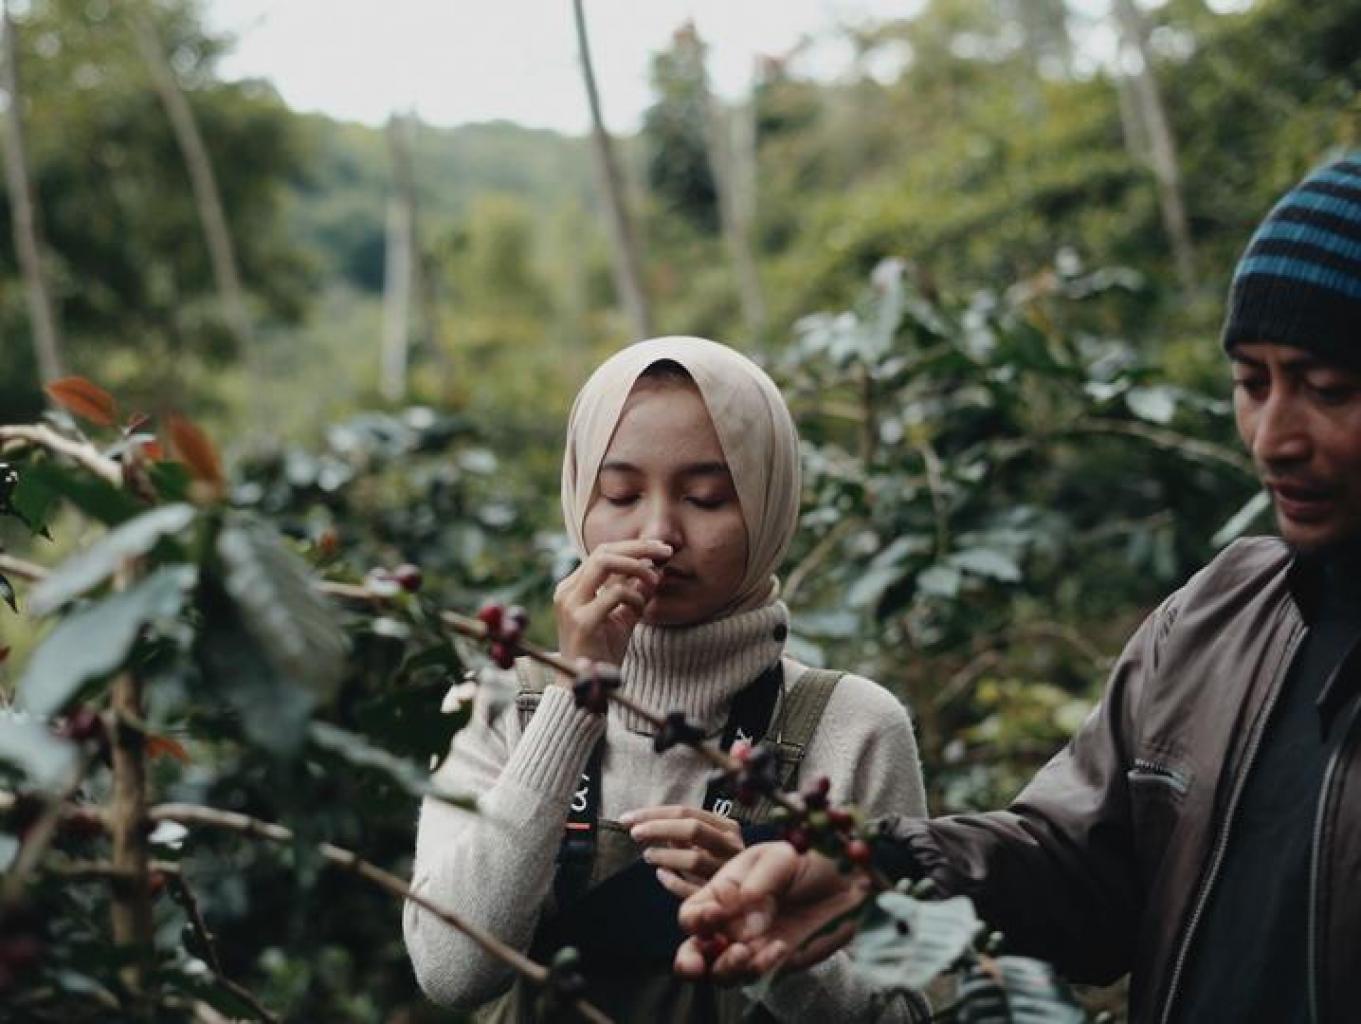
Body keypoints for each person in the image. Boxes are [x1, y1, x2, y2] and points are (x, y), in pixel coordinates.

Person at [674, 153, 1361, 1024]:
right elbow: (1083, 865)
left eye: (1325, 388)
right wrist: (876, 871)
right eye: (1249, 383)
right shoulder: (1220, 616)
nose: (1271, 437)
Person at [404, 336, 930, 1021]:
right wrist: (575, 698)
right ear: (579, 500)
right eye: (619, 493)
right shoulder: (495, 705)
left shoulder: (854, 727)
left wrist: (772, 937)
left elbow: (908, 1009)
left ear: (769, 505)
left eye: (705, 498)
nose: (658, 533)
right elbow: (452, 971)